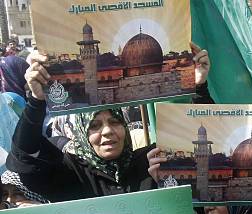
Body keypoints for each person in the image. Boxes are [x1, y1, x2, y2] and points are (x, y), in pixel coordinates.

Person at [7, 48, 211, 202]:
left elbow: (206, 146)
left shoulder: (151, 162)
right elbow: (24, 159)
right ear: (82, 133)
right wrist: (37, 100)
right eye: (95, 126)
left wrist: (199, 87)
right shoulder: (70, 173)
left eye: (114, 122)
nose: (107, 132)